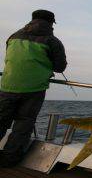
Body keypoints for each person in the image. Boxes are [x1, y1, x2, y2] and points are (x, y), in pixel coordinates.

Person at [0, 9, 67, 167]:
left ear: (32, 19)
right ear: (51, 23)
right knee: (24, 123)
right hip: (33, 89)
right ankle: (9, 159)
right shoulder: (52, 41)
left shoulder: (13, 36)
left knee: (0, 120)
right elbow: (60, 67)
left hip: (7, 85)